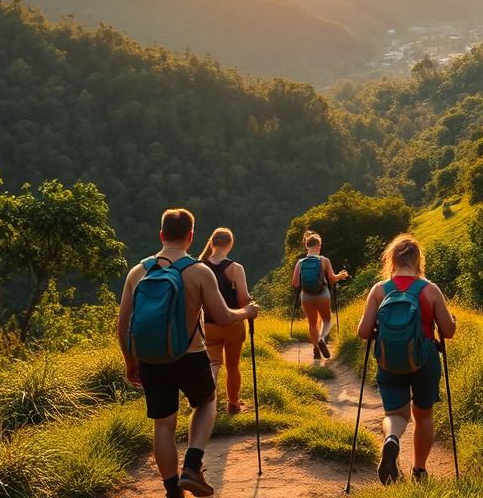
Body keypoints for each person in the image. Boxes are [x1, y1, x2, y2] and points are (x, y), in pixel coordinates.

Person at [117, 209, 260, 498]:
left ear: (161, 235)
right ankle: (192, 467)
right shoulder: (198, 271)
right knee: (207, 401)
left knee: (164, 424)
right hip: (190, 355)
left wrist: (130, 362)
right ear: (191, 236)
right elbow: (222, 316)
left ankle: (172, 491)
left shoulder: (138, 271)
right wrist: (247, 311)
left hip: (150, 359)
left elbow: (122, 325)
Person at [357, 234, 456, 485]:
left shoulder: (379, 290)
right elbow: (448, 331)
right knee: (423, 415)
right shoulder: (430, 289)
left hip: (390, 362)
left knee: (396, 414)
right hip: (425, 361)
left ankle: (392, 440)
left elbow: (363, 332)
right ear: (417, 260)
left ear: (391, 259)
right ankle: (419, 471)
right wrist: (450, 318)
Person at [198, 227, 251, 414]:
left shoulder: (200, 267)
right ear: (230, 245)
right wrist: (250, 306)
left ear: (212, 243)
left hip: (208, 324)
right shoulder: (236, 268)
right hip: (232, 323)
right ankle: (233, 404)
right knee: (233, 366)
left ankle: (206, 399)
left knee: (213, 364)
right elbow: (244, 299)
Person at [291, 230, 349, 360]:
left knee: (312, 323)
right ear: (319, 246)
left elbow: (294, 283)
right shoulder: (324, 260)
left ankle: (316, 349)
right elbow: (332, 279)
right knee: (327, 320)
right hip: (322, 293)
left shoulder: (300, 262)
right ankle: (322, 339)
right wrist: (340, 276)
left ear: (307, 246)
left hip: (306, 296)